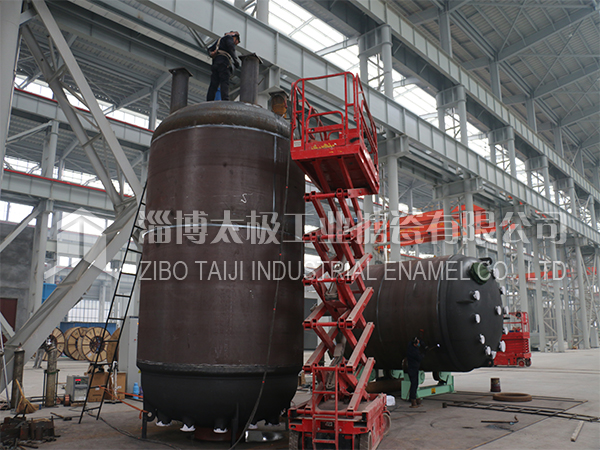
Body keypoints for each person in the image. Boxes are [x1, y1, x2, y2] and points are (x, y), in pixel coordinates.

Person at [206, 31, 241, 101]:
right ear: (235, 38)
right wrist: (236, 61)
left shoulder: (219, 41)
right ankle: (225, 99)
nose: (234, 44)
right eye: (235, 43)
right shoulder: (229, 38)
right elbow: (231, 47)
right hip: (223, 63)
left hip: (215, 63)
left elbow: (209, 49)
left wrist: (211, 53)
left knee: (214, 84)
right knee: (224, 81)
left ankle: (209, 100)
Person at [406, 336, 424, 408]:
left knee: (413, 384)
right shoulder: (414, 351)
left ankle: (413, 398)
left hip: (411, 368)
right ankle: (413, 400)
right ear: (415, 344)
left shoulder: (410, 347)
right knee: (414, 384)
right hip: (413, 369)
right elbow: (419, 358)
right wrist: (423, 354)